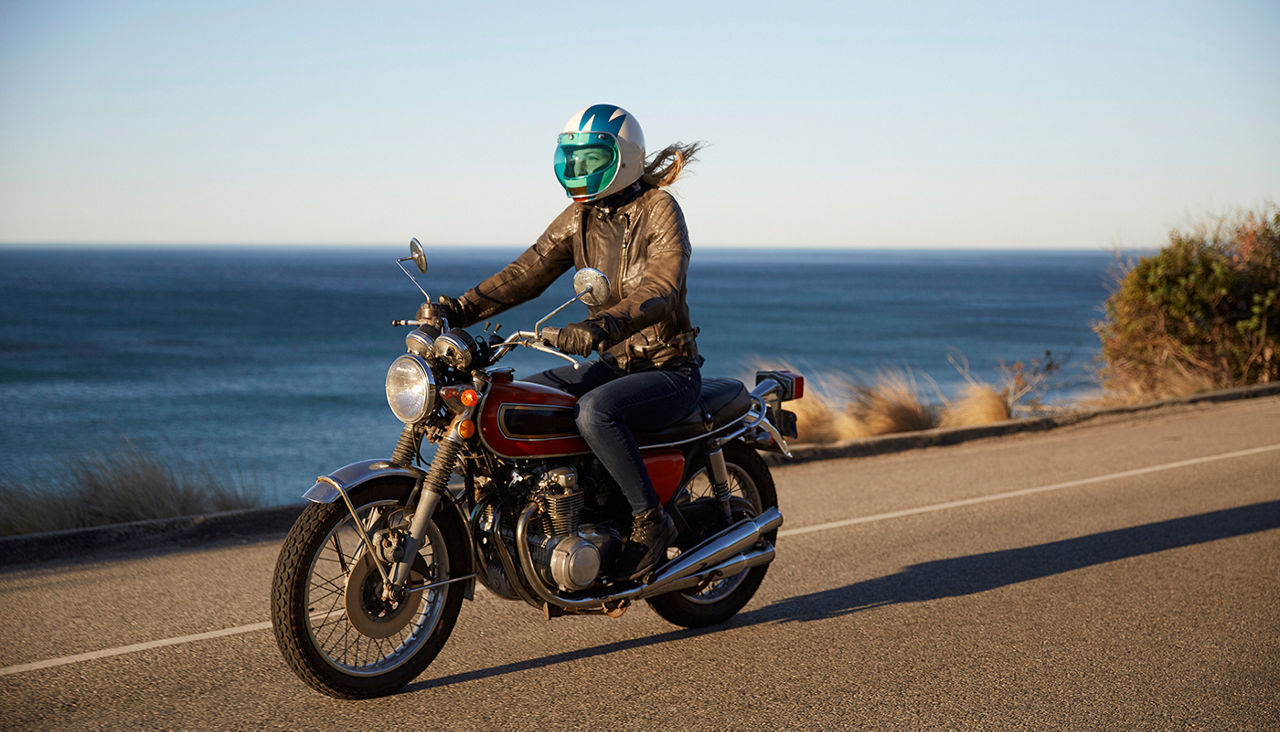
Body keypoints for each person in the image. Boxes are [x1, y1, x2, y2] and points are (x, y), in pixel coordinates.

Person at [438, 104, 704, 580]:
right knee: (522, 400)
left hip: (666, 369)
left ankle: (649, 522)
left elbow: (660, 288)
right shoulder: (580, 216)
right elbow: (527, 272)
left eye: (589, 159)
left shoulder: (659, 209)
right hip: (612, 364)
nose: (578, 170)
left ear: (622, 159)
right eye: (572, 160)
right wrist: (458, 309)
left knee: (595, 412)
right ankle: (550, 513)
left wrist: (602, 327)